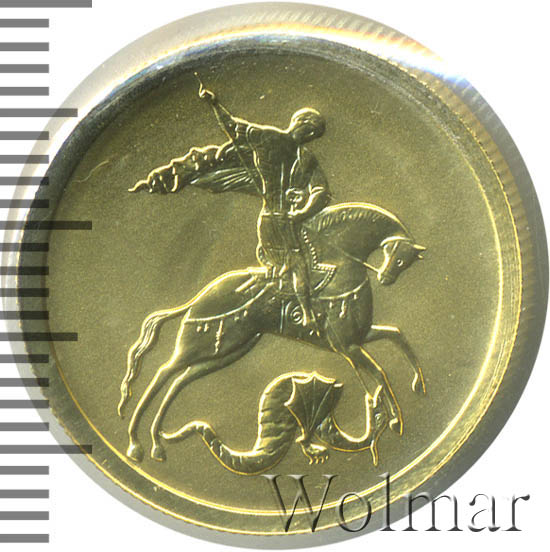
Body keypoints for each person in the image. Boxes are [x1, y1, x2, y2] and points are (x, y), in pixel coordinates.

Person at [132, 79, 331, 333]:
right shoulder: (278, 143)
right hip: (276, 218)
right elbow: (233, 127)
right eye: (312, 131)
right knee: (298, 265)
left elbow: (321, 192)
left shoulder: (290, 150)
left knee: (302, 261)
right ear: (302, 125)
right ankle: (307, 316)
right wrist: (214, 104)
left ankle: (281, 297)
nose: (312, 136)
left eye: (315, 134)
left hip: (282, 218)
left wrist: (302, 212)